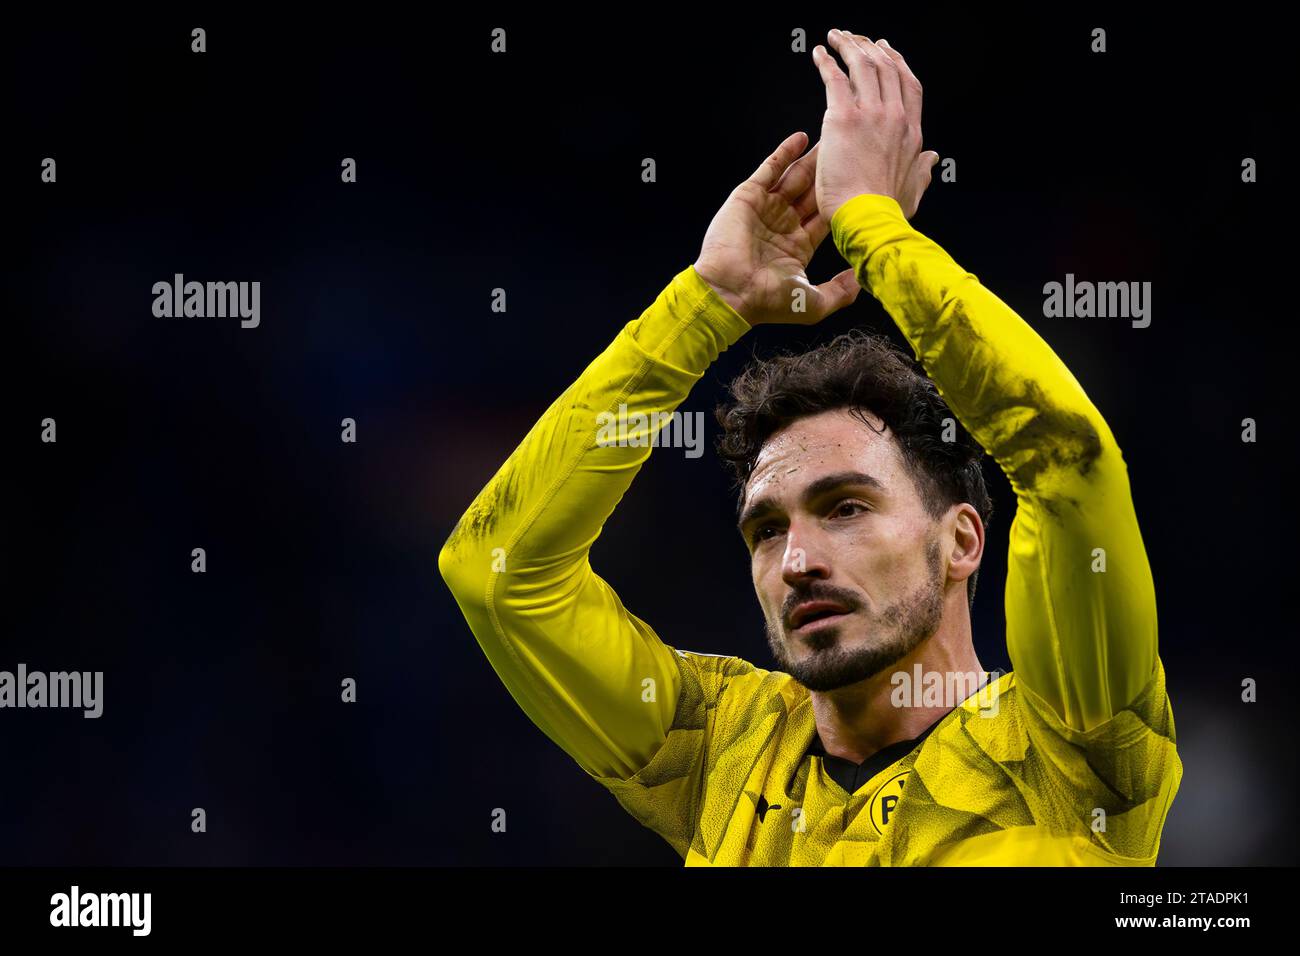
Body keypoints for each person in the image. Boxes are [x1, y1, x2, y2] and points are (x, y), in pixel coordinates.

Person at [438, 29, 1181, 865]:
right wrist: (706, 305)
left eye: (846, 507)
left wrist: (873, 227)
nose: (796, 560)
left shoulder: (1070, 749)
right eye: (766, 529)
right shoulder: (724, 752)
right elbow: (497, 573)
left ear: (963, 539)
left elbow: (1064, 455)